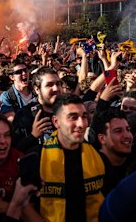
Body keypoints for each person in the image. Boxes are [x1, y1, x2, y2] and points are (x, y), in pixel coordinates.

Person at [34, 94, 105, 222]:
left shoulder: (97, 157)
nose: (82, 124)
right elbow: (24, 205)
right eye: (73, 117)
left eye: (84, 116)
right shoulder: (37, 157)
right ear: (56, 122)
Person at [0, 114, 42, 221]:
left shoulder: (20, 162)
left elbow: (32, 215)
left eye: (7, 135)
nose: (3, 141)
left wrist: (4, 206)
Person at [12, 67, 61, 152]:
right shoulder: (24, 114)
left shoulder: (66, 111)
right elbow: (15, 150)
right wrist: (33, 136)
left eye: (58, 84)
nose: (56, 89)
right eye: (49, 85)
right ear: (37, 89)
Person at [92, 108, 133, 196]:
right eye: (118, 131)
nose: (127, 135)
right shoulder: (92, 170)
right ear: (102, 138)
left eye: (128, 129)